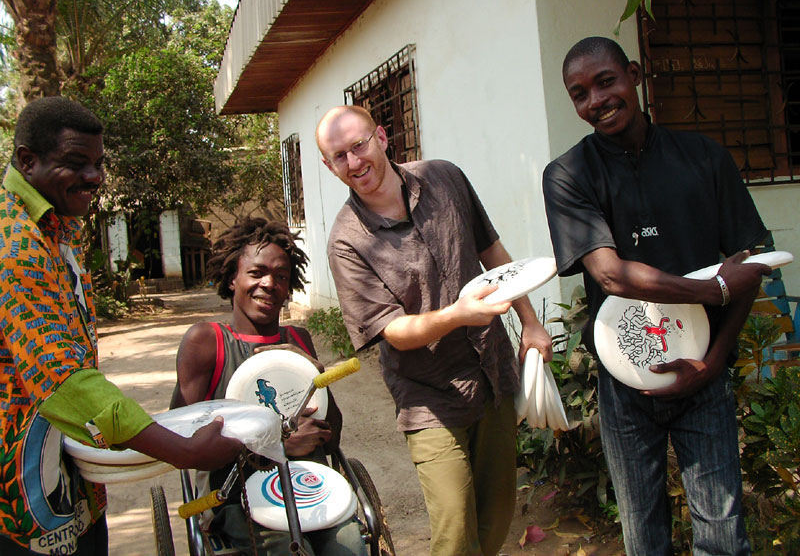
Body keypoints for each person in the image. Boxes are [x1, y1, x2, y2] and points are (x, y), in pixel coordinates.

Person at [542, 37, 771, 555]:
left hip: (703, 374)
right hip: (625, 384)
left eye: (606, 81)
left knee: (723, 534)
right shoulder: (569, 175)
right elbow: (611, 275)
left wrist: (713, 364)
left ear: (635, 74)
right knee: (644, 537)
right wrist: (711, 289)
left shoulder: (703, 157)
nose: (597, 101)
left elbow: (749, 265)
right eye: (579, 94)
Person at [0, 97, 243, 555]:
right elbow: (65, 382)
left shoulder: (55, 228)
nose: (94, 177)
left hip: (68, 470)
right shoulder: (16, 244)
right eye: (77, 163)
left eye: (98, 163)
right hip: (18, 492)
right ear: (27, 161)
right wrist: (185, 452)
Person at [316, 105, 553, 556]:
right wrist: (457, 315)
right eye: (339, 156)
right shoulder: (346, 241)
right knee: (455, 528)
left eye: (358, 145)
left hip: (492, 371)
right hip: (428, 396)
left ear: (381, 137)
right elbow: (393, 331)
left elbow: (492, 251)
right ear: (329, 167)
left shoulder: (445, 178)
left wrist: (530, 322)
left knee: (496, 514)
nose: (354, 162)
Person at [171, 217, 366, 556]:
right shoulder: (207, 342)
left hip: (309, 486)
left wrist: (313, 375)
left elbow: (332, 437)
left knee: (351, 546)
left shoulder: (298, 340)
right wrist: (276, 445)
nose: (269, 284)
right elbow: (179, 441)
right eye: (256, 272)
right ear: (232, 278)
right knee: (289, 549)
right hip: (237, 496)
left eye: (281, 276)